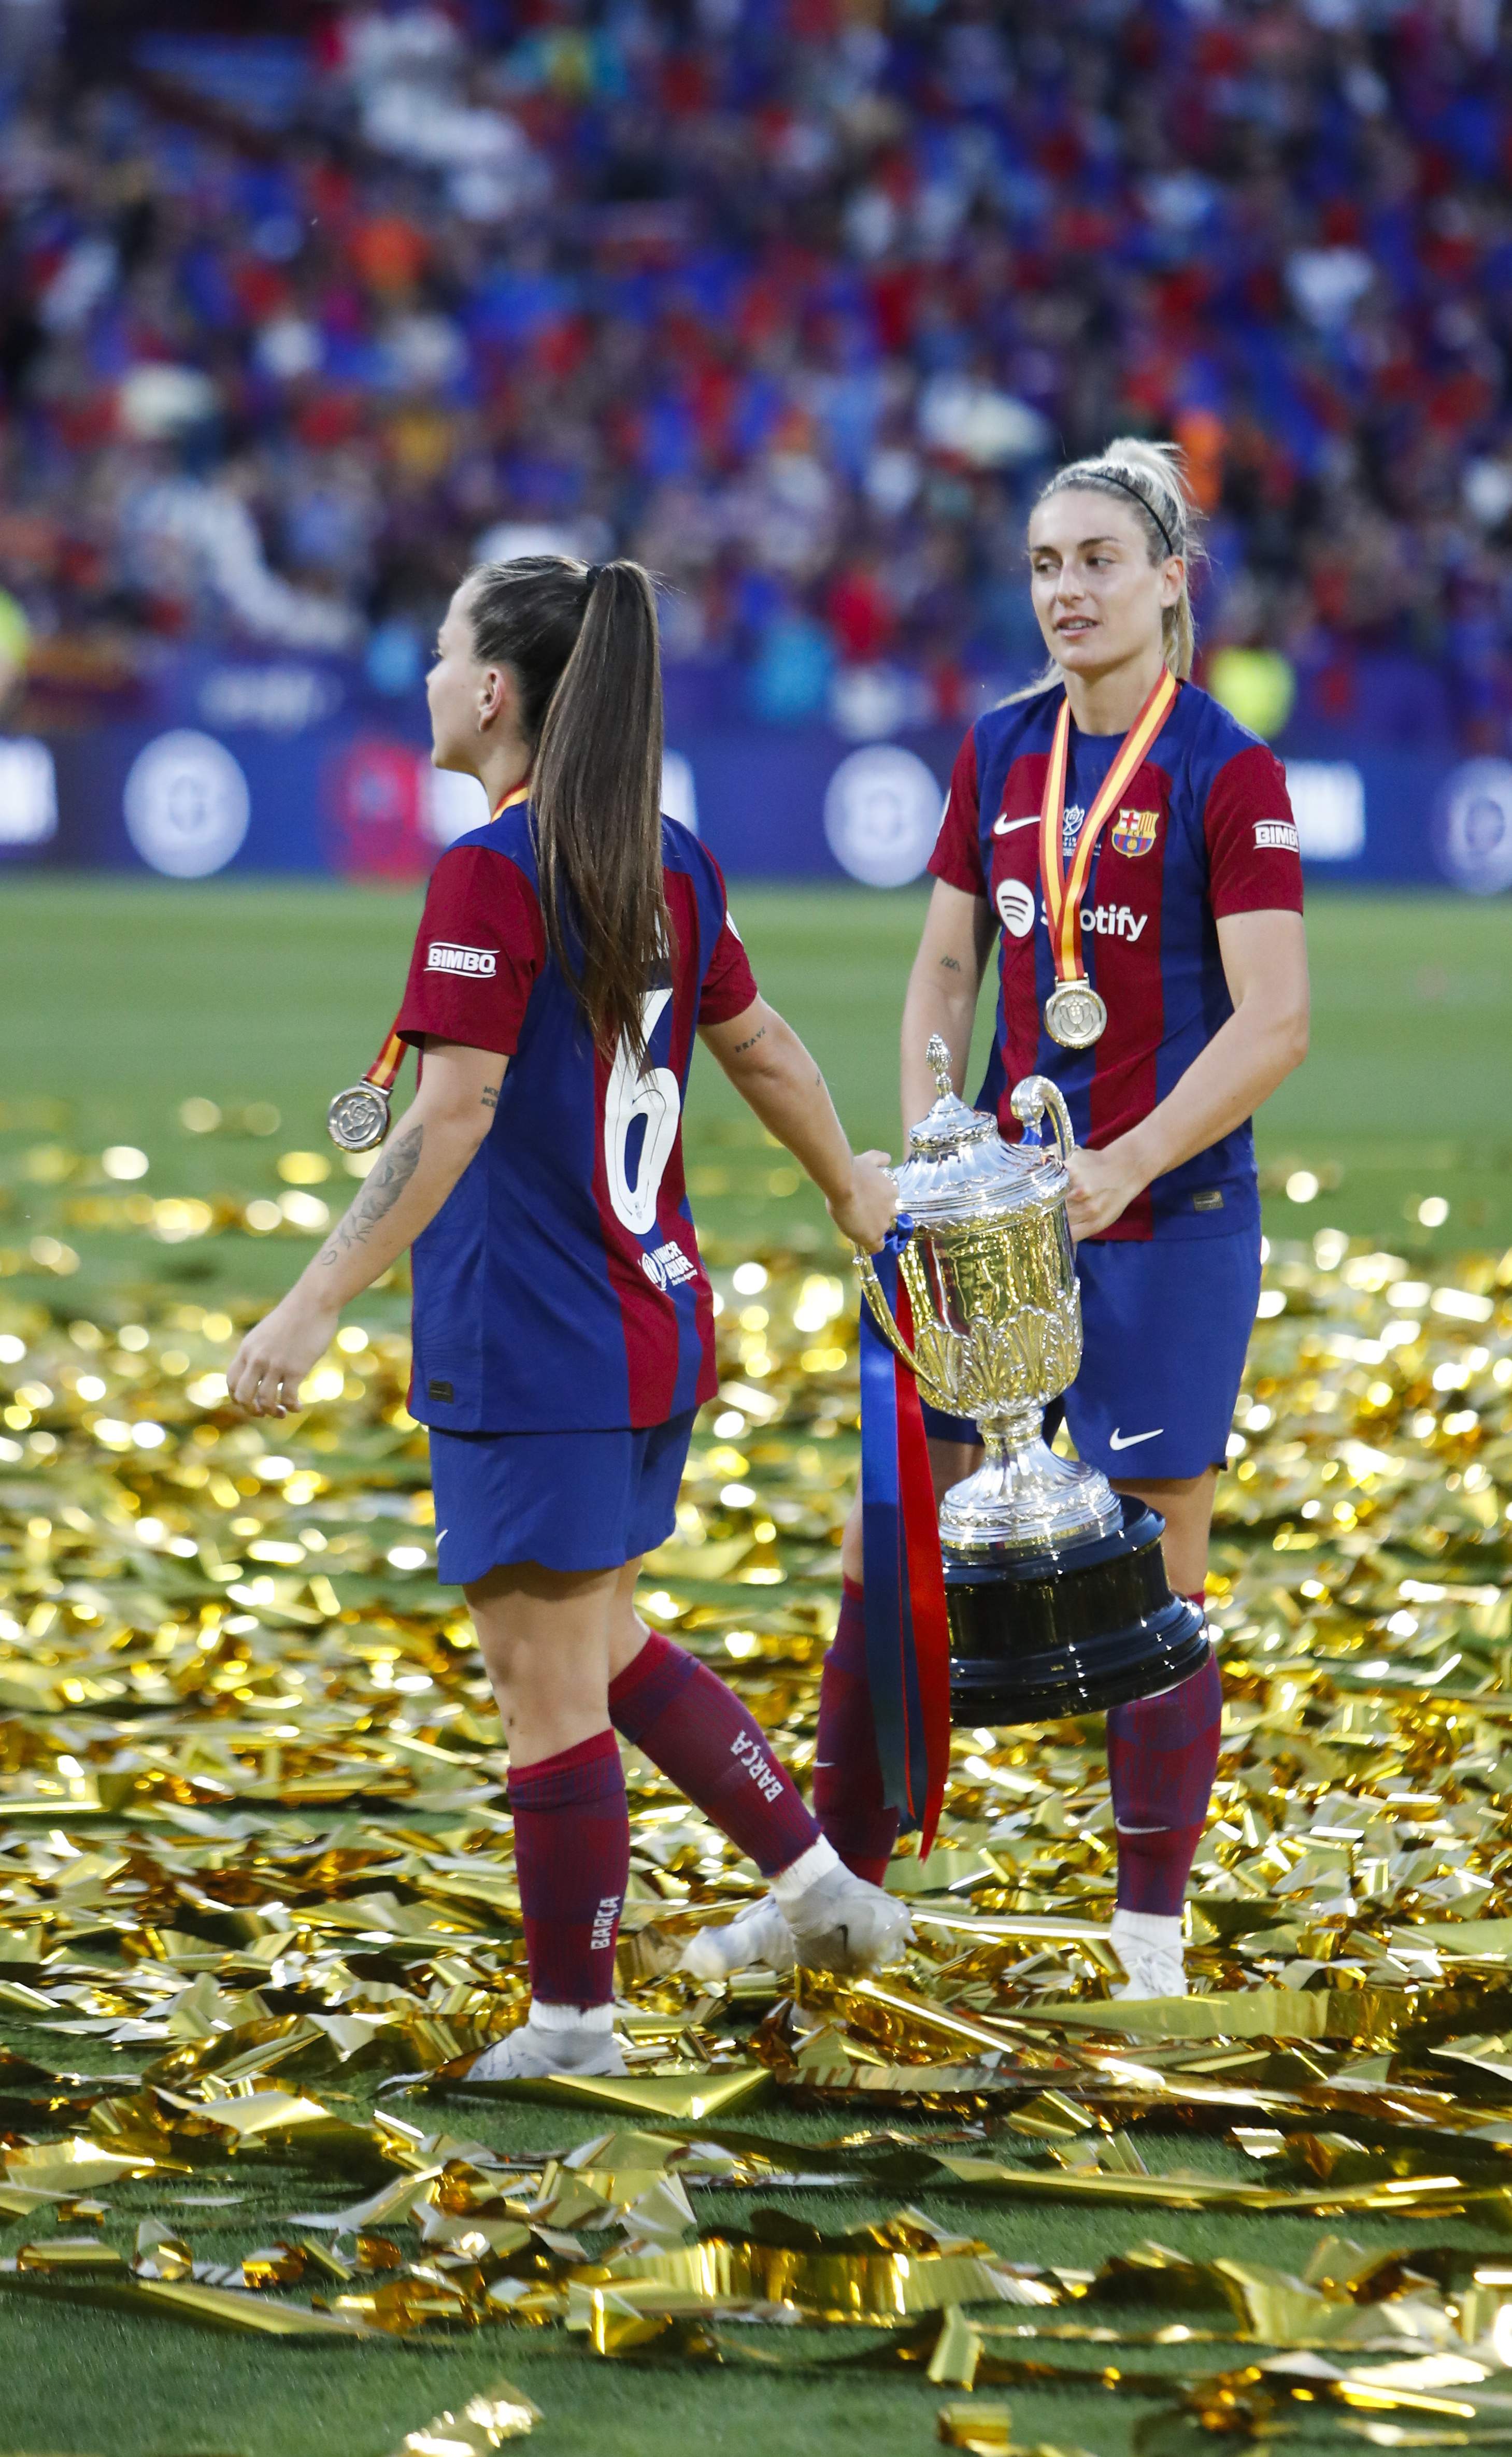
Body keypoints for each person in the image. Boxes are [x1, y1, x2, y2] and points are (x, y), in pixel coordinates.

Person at [227, 553, 909, 2079]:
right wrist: (845, 1191)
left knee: (546, 1685)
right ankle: (817, 1888)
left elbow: (452, 1113)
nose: (422, 678)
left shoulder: (491, 868)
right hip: (649, 1318)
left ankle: (575, 2025)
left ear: (492, 691)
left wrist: (311, 1302)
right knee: (604, 1643)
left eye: (440, 650)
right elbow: (768, 1043)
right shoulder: (665, 855)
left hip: (536, 1336)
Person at [689, 439, 1310, 2002]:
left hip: (1169, 1223)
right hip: (996, 1241)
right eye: (1044, 565)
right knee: (888, 1540)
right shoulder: (997, 755)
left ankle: (1149, 1937)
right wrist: (929, 1148)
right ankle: (835, 1890)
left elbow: (1278, 1021)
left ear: (1172, 580)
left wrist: (1133, 1158)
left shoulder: (1226, 772)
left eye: (1098, 561)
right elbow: (945, 977)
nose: (1066, 592)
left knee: (1158, 1571)